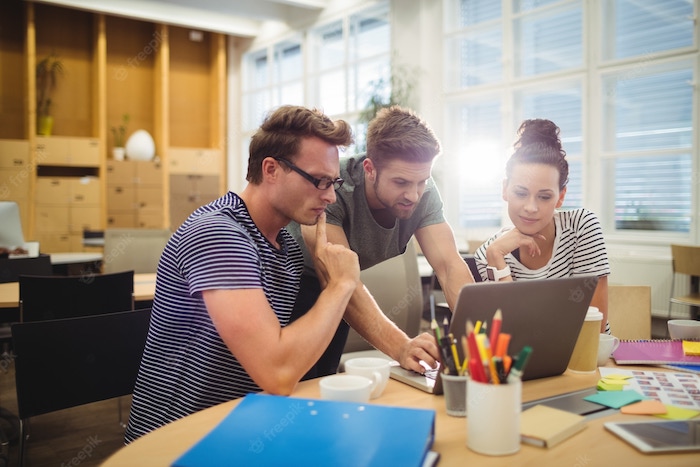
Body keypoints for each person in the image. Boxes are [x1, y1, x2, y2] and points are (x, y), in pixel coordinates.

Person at [124, 105, 360, 443]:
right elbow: (278, 373)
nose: (330, 196)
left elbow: (286, 358)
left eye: (333, 182)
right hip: (178, 440)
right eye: (319, 181)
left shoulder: (288, 250)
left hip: (243, 428)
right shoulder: (218, 234)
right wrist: (342, 284)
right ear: (271, 170)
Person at [287, 105, 475, 379]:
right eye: (400, 182)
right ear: (370, 169)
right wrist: (401, 347)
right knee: (295, 388)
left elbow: (448, 266)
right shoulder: (332, 186)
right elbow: (338, 279)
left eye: (421, 181)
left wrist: (480, 338)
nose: (413, 194)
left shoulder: (422, 191)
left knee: (325, 384)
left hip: (340, 292)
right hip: (291, 286)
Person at [473, 118, 611, 332]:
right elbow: (507, 334)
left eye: (544, 197)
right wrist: (496, 257)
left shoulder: (581, 227)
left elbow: (595, 327)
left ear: (560, 197)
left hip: (586, 360)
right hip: (526, 364)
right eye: (520, 193)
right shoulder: (489, 253)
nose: (531, 207)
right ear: (505, 189)